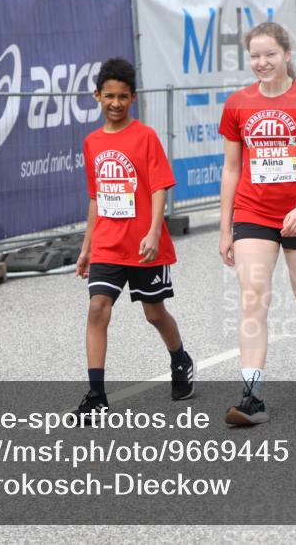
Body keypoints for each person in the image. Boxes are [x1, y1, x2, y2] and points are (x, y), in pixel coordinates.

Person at [217, 22, 296, 426]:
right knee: (254, 297)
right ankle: (251, 396)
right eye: (254, 56)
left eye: (270, 54)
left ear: (287, 54)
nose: (262, 62)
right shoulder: (238, 104)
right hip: (254, 212)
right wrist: (225, 227)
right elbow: (232, 169)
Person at [76, 57, 194, 414]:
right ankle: (96, 394)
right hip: (108, 244)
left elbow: (159, 187)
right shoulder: (92, 142)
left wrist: (154, 232)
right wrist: (87, 248)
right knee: (98, 308)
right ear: (97, 95)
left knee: (154, 313)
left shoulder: (145, 137)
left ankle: (180, 358)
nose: (115, 103)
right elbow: (97, 198)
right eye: (109, 95)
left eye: (123, 96)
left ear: (133, 98)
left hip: (144, 246)